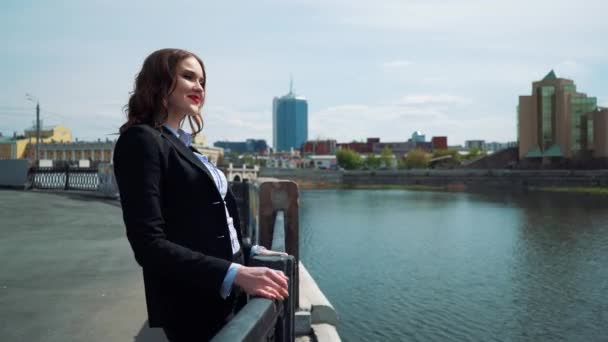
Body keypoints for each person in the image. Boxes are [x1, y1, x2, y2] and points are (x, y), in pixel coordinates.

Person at [113, 48, 289, 341]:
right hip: (191, 302)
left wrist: (248, 252)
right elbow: (148, 244)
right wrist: (236, 273)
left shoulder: (182, 144)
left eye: (202, 81)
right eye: (188, 76)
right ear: (159, 80)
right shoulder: (141, 140)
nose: (199, 87)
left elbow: (202, 224)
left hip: (222, 294)